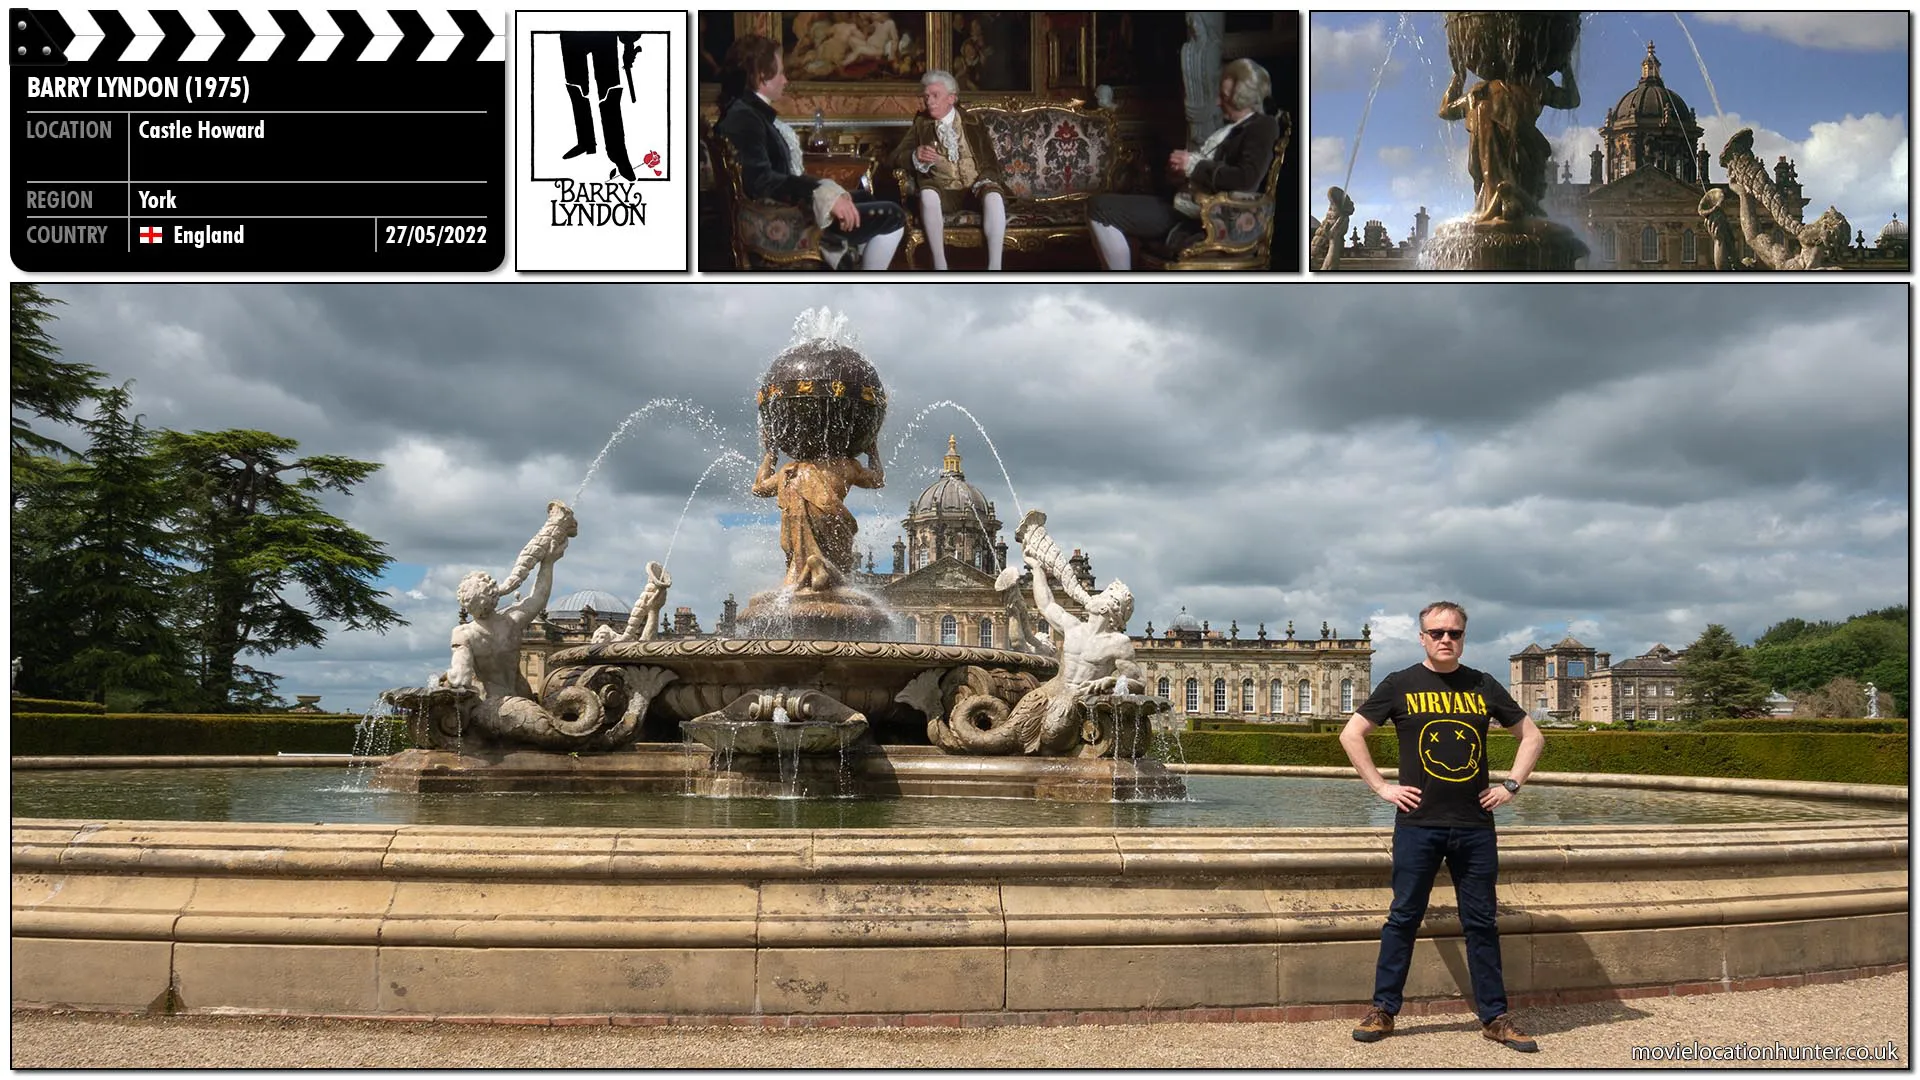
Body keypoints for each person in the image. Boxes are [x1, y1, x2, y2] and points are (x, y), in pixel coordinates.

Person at [1339, 600, 1547, 1053]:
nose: (1446, 639)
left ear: (1463, 637)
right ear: (1423, 638)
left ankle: (1495, 1016)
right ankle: (1384, 1010)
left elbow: (1532, 736)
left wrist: (1510, 785)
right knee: (1403, 919)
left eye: (1453, 633)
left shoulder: (1483, 684)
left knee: (1481, 923)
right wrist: (1382, 788)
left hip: (1475, 824)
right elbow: (1351, 734)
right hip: (1418, 824)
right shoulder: (1401, 684)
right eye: (1437, 633)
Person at [713, 34, 907, 270]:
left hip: (783, 206)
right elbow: (761, 181)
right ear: (763, 77)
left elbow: (775, 175)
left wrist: (829, 190)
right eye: (781, 73)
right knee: (893, 214)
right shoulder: (744, 117)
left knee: (863, 198)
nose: (785, 80)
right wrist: (821, 193)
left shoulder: (747, 112)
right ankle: (865, 287)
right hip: (781, 215)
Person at [1086, 58, 1279, 270]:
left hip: (1202, 218)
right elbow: (1212, 171)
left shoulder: (1263, 126)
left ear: (1241, 99)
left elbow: (1245, 179)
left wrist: (1193, 166)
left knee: (1100, 208)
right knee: (1100, 205)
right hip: (1184, 205)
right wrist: (1181, 173)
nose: (1217, 102)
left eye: (1224, 97)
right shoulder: (1234, 127)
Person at [891, 70, 1009, 270]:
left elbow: (991, 162)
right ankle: (940, 266)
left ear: (951, 98)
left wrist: (986, 180)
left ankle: (995, 269)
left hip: (974, 189)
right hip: (942, 190)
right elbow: (893, 158)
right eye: (926, 96)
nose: (929, 102)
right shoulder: (921, 123)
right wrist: (914, 154)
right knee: (927, 194)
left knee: (994, 195)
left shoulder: (973, 122)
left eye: (935, 96)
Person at [751, 433, 885, 592]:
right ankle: (817, 565)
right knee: (840, 580)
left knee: (791, 587)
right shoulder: (846, 466)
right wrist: (873, 451)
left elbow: (759, 488)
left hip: (797, 526)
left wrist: (771, 453)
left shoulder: (789, 471)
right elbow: (877, 480)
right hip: (833, 525)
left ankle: (813, 566)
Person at [558, 32, 641, 181]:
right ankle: (586, 142)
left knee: (609, 91)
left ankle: (617, 153)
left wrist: (628, 42)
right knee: (576, 87)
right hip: (570, 30)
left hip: (603, 31)